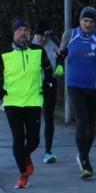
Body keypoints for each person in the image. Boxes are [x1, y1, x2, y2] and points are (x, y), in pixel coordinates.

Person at [56, 7, 96, 179]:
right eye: (85, 21)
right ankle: (85, 161)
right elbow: (61, 53)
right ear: (80, 21)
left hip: (93, 85)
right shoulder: (70, 35)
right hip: (74, 84)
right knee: (82, 120)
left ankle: (84, 154)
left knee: (91, 123)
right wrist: (60, 64)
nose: (88, 24)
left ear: (95, 23)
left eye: (91, 21)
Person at [0, 17, 53, 190]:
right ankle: (23, 175)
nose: (23, 33)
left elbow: (48, 70)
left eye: (26, 30)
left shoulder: (38, 52)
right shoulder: (4, 54)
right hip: (12, 103)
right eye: (19, 30)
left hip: (33, 101)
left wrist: (48, 84)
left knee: (34, 140)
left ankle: (25, 155)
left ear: (29, 34)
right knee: (18, 139)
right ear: (13, 33)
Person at [33, 26, 60, 163]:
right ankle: (28, 149)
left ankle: (48, 152)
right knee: (33, 119)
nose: (44, 39)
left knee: (49, 118)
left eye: (46, 36)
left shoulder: (53, 43)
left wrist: (60, 65)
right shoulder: (29, 45)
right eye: (41, 36)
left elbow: (62, 53)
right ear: (35, 34)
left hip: (49, 84)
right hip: (32, 87)